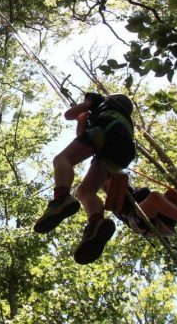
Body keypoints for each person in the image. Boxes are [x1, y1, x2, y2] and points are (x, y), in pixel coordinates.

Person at [33, 92, 135, 264]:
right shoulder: (125, 118)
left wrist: (82, 113)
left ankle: (61, 198)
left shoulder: (99, 100)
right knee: (85, 191)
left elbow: (69, 115)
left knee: (62, 159)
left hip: (107, 129)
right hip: (123, 151)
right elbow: (84, 136)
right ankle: (96, 223)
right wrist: (84, 122)